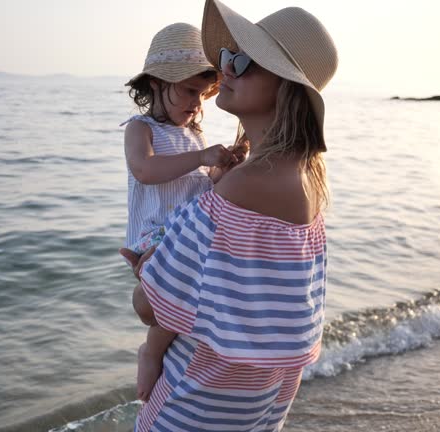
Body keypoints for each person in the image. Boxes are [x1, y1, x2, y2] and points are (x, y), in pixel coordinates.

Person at [123, 0, 339, 430]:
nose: (227, 69)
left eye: (244, 61)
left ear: (286, 86)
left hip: (199, 396)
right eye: (226, 58)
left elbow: (149, 306)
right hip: (258, 400)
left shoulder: (246, 184)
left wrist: (152, 267)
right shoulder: (309, 178)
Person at [120, 22, 249, 402]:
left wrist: (225, 167)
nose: (197, 103)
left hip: (188, 230)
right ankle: (152, 350)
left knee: (200, 286)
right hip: (157, 233)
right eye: (190, 91)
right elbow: (144, 170)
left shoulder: (194, 134)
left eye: (204, 94)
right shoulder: (140, 129)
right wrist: (201, 156)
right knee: (181, 283)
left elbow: (205, 184)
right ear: (157, 82)